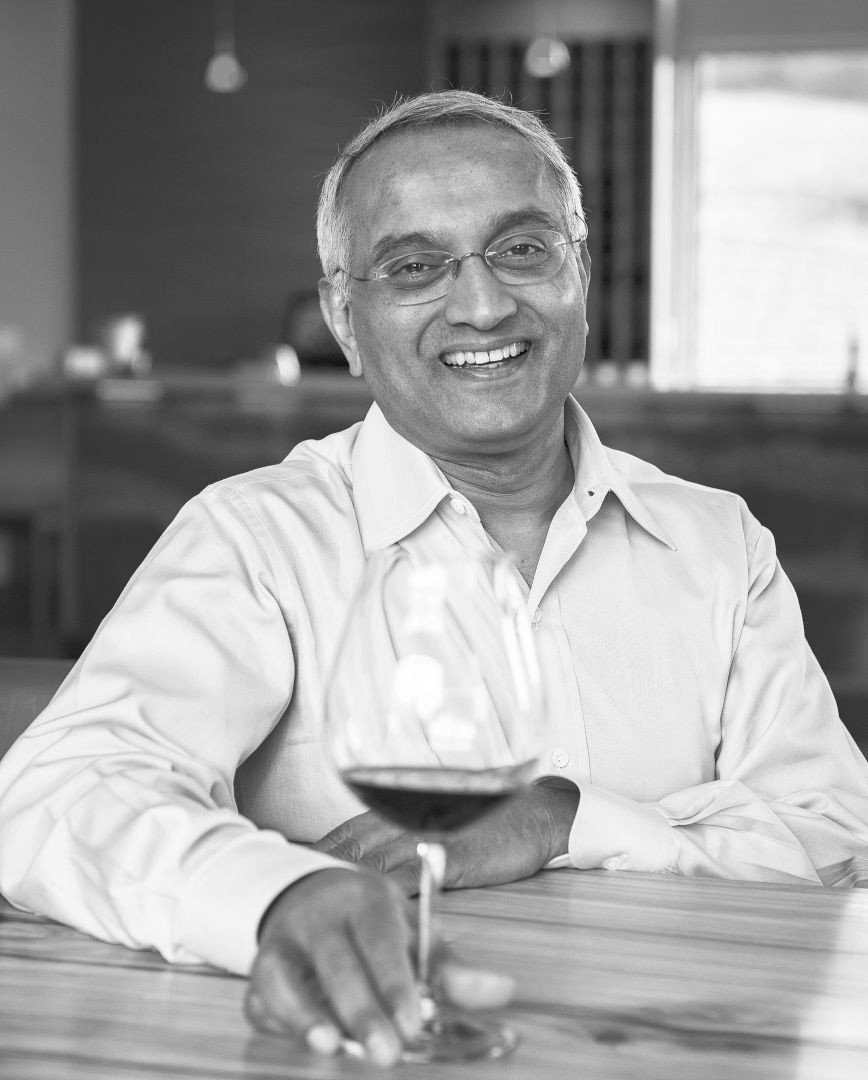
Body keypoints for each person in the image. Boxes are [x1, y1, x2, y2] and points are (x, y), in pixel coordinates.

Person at [1, 89, 868, 1066]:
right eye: (416, 267)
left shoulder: (719, 543)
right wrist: (277, 895)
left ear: (580, 273)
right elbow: (61, 793)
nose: (483, 304)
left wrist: (564, 818)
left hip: (663, 1052)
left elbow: (836, 842)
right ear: (344, 315)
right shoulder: (257, 540)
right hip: (373, 1050)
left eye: (523, 248)